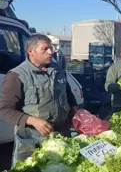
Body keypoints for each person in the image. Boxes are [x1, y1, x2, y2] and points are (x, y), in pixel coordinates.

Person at [0, 34, 78, 165]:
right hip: (32, 140)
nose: (50, 52)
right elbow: (4, 110)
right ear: (30, 51)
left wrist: (76, 111)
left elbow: (68, 93)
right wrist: (32, 120)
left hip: (61, 135)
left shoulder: (58, 71)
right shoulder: (17, 75)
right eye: (45, 49)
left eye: (51, 48)